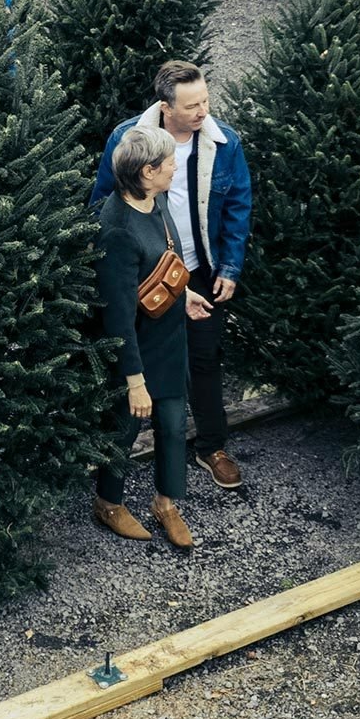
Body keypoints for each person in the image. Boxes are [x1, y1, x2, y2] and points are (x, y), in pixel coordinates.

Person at [92, 61, 252, 491]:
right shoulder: (129, 140)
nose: (204, 111)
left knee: (203, 357)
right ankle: (115, 474)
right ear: (166, 107)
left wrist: (230, 267)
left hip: (195, 270)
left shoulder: (224, 143)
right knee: (140, 357)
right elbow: (102, 201)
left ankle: (211, 447)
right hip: (144, 269)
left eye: (205, 100)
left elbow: (238, 205)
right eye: (193, 105)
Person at [94, 126, 214, 548]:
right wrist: (134, 382)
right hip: (137, 353)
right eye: (168, 165)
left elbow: (163, 266)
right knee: (124, 429)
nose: (174, 169)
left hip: (169, 341)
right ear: (147, 171)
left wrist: (186, 295)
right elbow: (118, 316)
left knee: (173, 424)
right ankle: (108, 502)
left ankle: (166, 503)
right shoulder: (116, 230)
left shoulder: (155, 201)